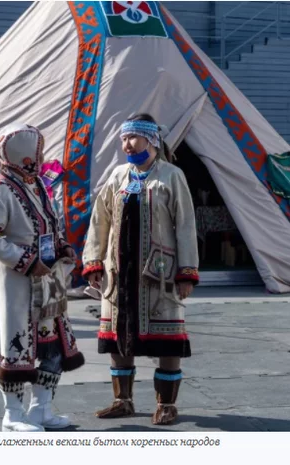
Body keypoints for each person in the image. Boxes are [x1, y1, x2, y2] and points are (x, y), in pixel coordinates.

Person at [0, 123, 84, 432]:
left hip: (48, 283)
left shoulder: (39, 185)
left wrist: (63, 247)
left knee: (54, 347)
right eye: (37, 150)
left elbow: (49, 226)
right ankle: (13, 415)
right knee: (16, 347)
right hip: (16, 281)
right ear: (25, 153)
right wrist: (28, 261)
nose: (42, 155)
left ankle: (40, 409)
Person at [82, 114, 199, 425]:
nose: (126, 143)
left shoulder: (171, 176)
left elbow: (186, 225)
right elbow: (100, 220)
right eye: (123, 138)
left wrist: (187, 271)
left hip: (158, 272)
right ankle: (123, 400)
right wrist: (93, 261)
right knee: (118, 333)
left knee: (166, 336)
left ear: (151, 140)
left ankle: (167, 404)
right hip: (119, 270)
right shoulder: (118, 175)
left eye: (132, 137)